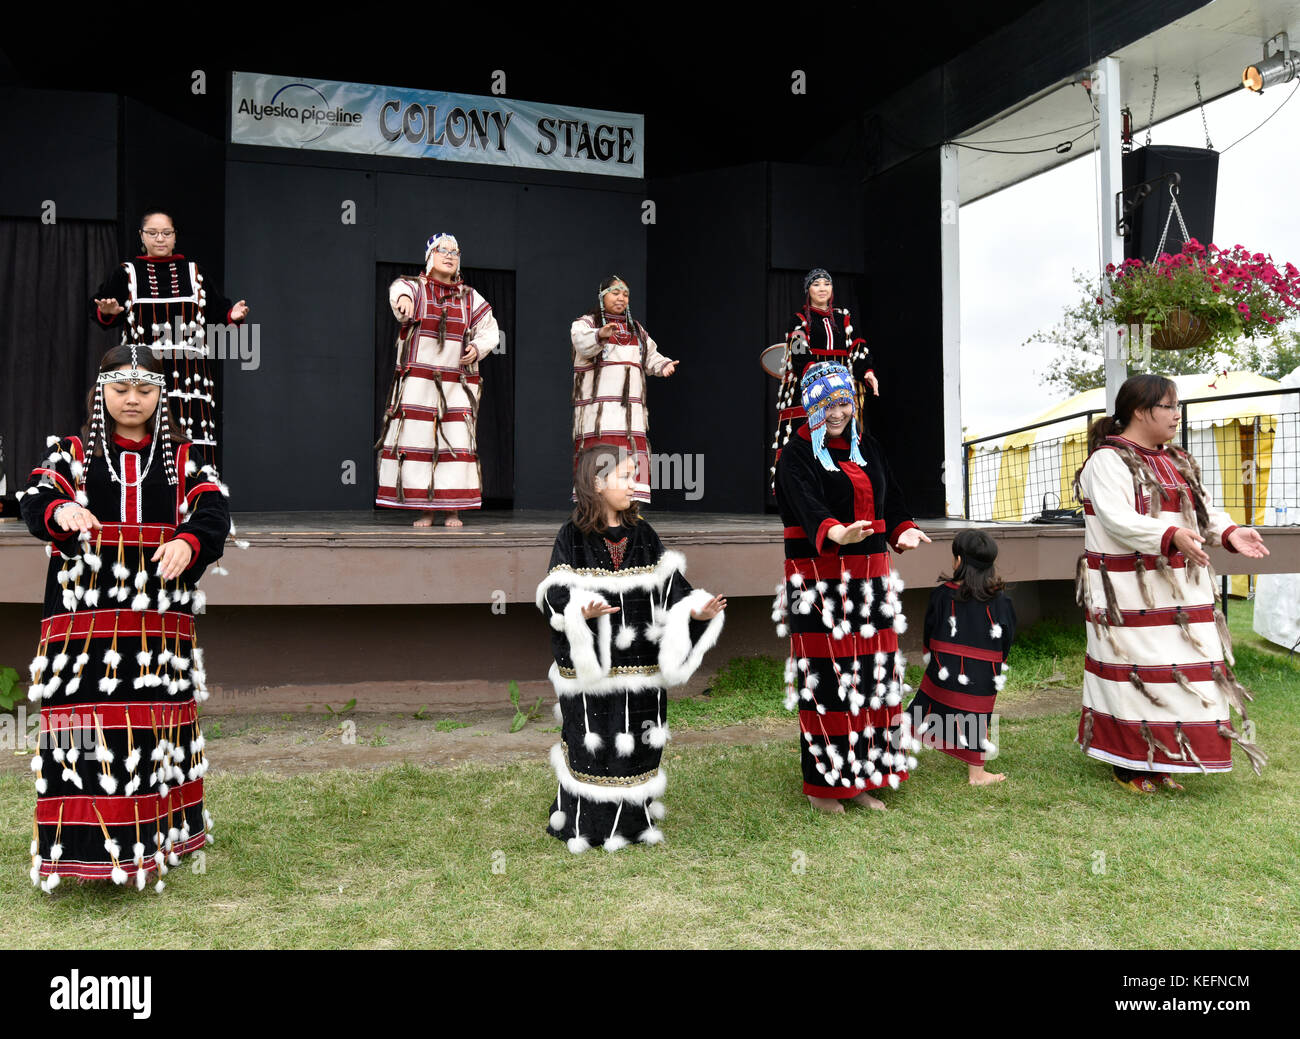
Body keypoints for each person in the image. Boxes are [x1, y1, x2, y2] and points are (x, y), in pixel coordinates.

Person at [17, 344, 231, 893]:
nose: (132, 399)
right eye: (120, 388)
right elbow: (35, 496)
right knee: (83, 730)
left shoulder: (183, 457)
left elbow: (213, 510)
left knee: (152, 727)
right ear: (102, 392)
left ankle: (159, 840)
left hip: (156, 622)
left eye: (144, 389)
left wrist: (191, 540)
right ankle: (82, 853)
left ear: (160, 396)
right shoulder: (71, 453)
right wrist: (58, 509)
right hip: (80, 622)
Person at [1074, 373, 1270, 791]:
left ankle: (1164, 758)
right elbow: (1117, 519)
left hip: (1182, 590)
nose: (1176, 416)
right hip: (1128, 594)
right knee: (1134, 673)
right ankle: (1130, 764)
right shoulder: (1107, 460)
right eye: (1169, 407)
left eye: (1176, 407)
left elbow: (1201, 509)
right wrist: (1169, 536)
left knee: (1180, 674)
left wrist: (1230, 532)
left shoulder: (1178, 459)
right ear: (1140, 411)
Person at [535, 446, 725, 851]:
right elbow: (555, 592)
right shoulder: (572, 536)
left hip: (640, 666)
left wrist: (696, 610)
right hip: (597, 676)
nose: (633, 485)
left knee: (637, 739)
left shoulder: (643, 533)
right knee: (594, 736)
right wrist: (578, 612)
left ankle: (634, 822)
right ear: (597, 483)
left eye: (632, 476)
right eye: (624, 477)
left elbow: (672, 588)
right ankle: (587, 825)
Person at [772, 362, 930, 813]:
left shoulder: (869, 447)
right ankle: (826, 786)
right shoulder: (796, 455)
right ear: (810, 406)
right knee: (830, 682)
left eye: (844, 402)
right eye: (826, 404)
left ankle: (862, 776)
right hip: (819, 583)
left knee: (870, 677)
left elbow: (892, 499)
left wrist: (902, 530)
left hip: (872, 580)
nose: (837, 412)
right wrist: (837, 532)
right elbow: (806, 504)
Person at [91, 209, 249, 465]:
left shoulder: (194, 272)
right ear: (142, 236)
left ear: (175, 237)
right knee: (146, 436)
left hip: (189, 376)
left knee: (190, 440)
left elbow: (219, 312)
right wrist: (107, 311)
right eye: (152, 233)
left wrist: (234, 314)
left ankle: (195, 499)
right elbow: (101, 311)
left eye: (166, 233)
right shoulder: (127, 273)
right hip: (143, 373)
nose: (160, 238)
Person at [376, 233, 499, 527]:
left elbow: (489, 328)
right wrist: (404, 300)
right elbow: (399, 288)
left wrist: (478, 347)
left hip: (457, 383)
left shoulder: (470, 296)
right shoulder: (417, 288)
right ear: (430, 256)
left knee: (456, 443)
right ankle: (426, 509)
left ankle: (453, 509)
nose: (450, 255)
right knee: (421, 442)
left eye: (455, 252)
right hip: (420, 382)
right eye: (442, 250)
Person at [909, 529, 1016, 785]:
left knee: (922, 709)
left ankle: (896, 750)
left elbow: (930, 629)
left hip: (942, 670)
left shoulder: (942, 594)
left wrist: (930, 656)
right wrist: (996, 666)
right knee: (976, 719)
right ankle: (976, 775)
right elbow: (1007, 637)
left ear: (958, 561)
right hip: (982, 677)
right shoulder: (1001, 600)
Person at [569, 276, 678, 503]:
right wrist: (600, 335)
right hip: (599, 414)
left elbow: (651, 357)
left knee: (631, 457)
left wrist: (663, 365)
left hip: (630, 416)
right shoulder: (586, 324)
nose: (621, 298)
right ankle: (593, 511)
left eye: (625, 294)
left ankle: (630, 511)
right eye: (615, 293)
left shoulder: (636, 330)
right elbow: (582, 344)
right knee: (599, 457)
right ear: (602, 296)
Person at [769, 269, 878, 485]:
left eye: (826, 284)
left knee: (843, 437)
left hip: (840, 390)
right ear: (808, 290)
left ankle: (845, 486)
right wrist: (817, 377)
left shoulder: (843, 317)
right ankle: (797, 488)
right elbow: (798, 350)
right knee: (803, 440)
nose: (822, 288)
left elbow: (856, 346)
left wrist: (867, 371)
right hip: (809, 389)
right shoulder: (799, 320)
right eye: (816, 284)